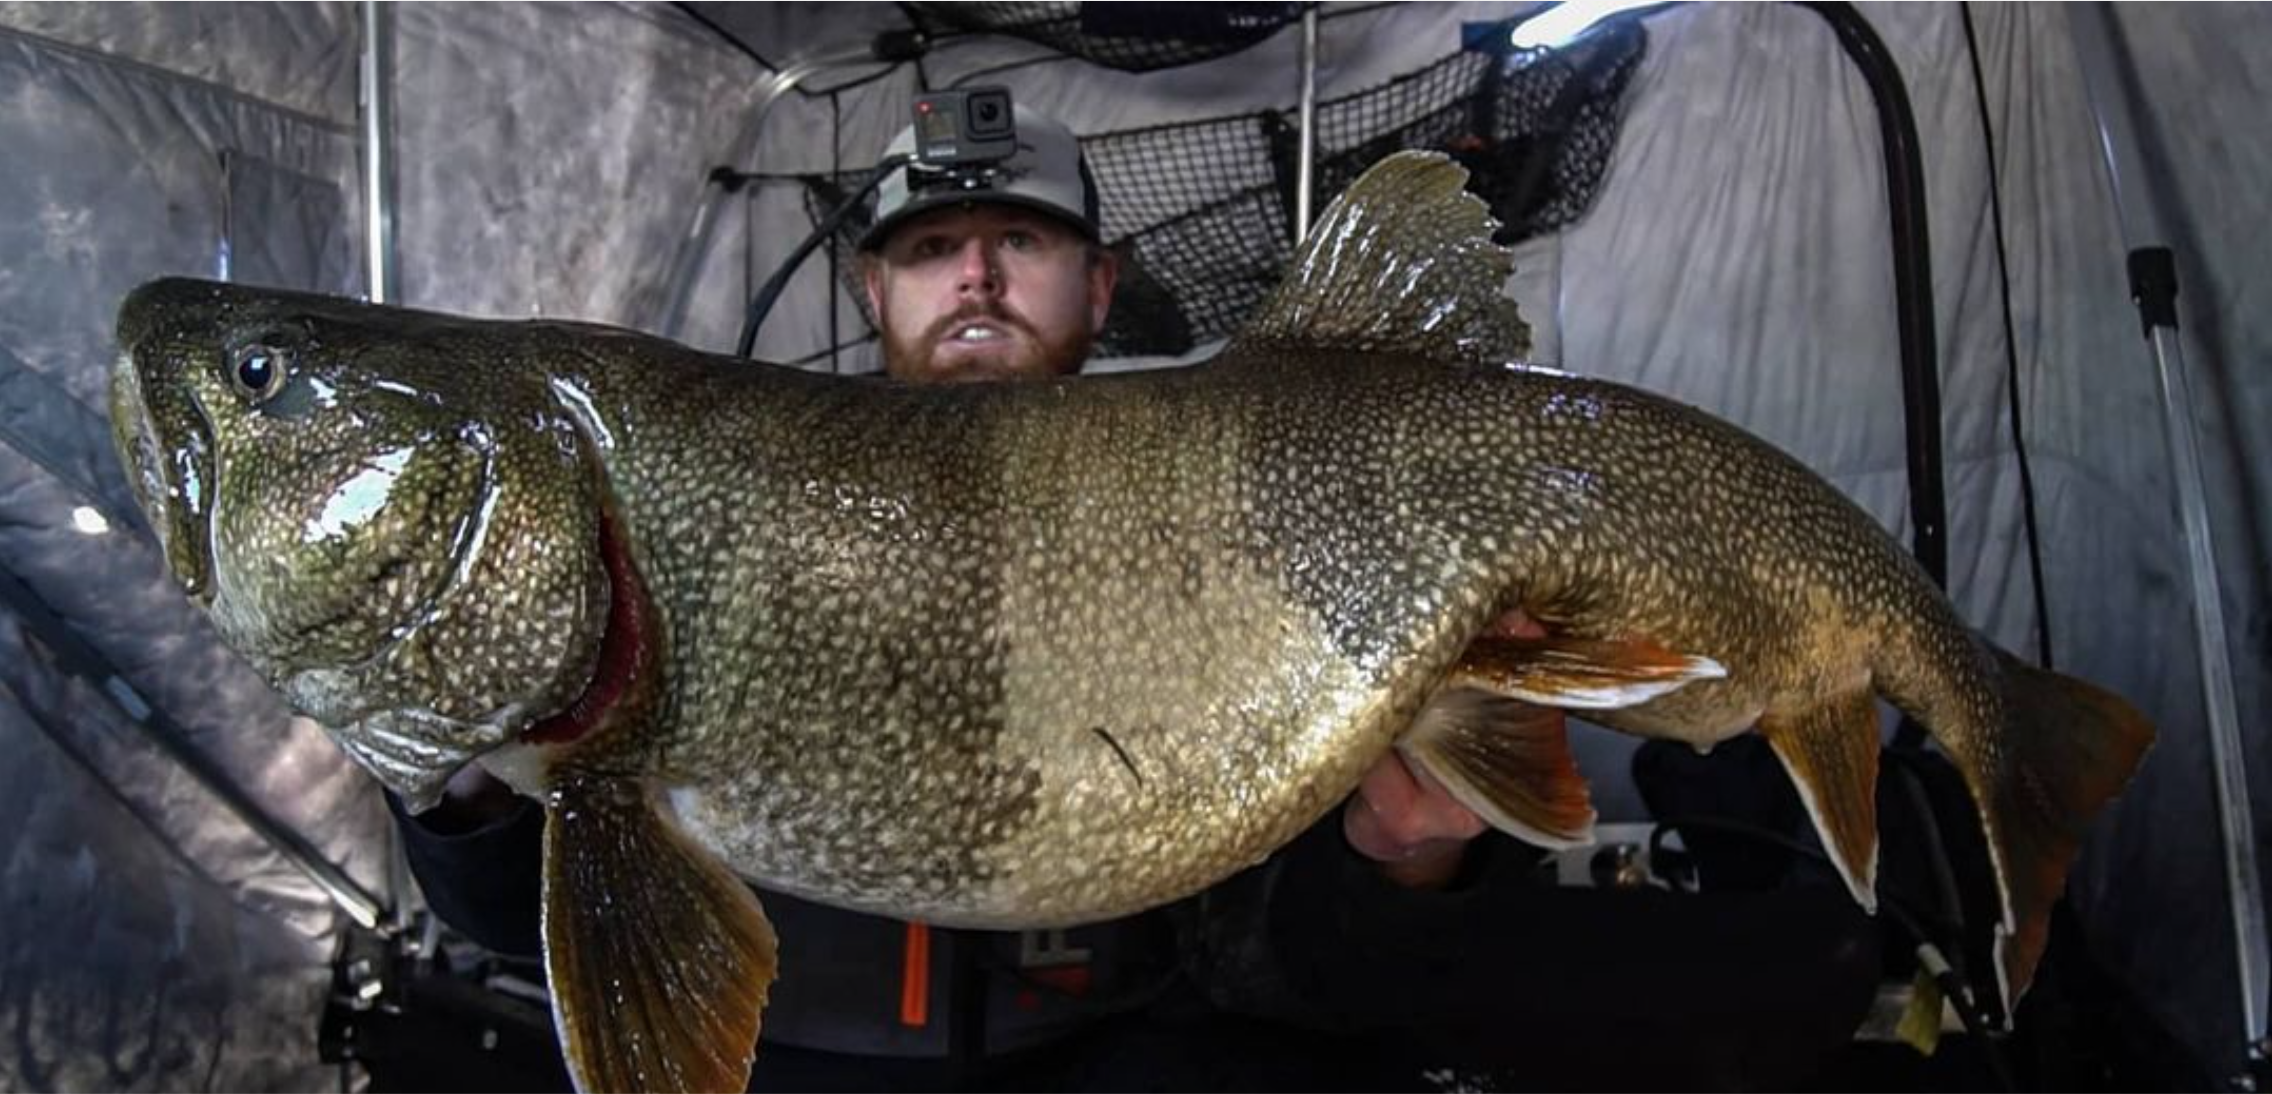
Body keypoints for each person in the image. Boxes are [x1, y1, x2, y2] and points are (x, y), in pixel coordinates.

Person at [392, 105, 1882, 1092]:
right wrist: (453, 783)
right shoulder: (701, 481)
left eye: (1020, 239)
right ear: (872, 292)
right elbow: (533, 911)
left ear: (1101, 287)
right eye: (928, 245)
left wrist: (1409, 848)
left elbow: (1319, 982)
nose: (974, 270)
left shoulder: (1255, 489)